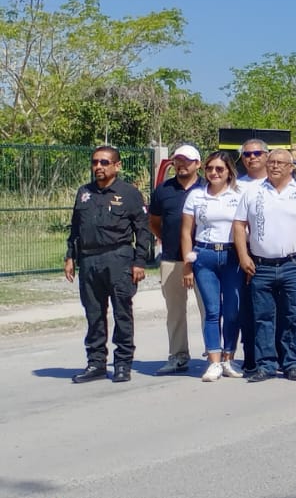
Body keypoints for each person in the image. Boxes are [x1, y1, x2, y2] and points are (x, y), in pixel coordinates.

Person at [65, 146, 155, 384]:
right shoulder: (84, 192)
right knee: (94, 313)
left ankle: (123, 363)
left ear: (117, 165)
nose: (99, 167)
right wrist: (70, 257)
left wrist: (139, 262)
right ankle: (96, 363)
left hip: (119, 258)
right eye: (95, 162)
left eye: (105, 162)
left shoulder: (129, 193)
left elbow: (143, 231)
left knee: (122, 312)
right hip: (89, 260)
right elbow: (75, 228)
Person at [233, 149, 296, 382]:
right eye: (271, 162)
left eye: (281, 163)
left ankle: (291, 363)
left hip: (293, 264)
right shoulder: (252, 193)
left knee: (292, 316)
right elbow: (239, 226)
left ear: (291, 167)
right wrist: (243, 256)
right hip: (260, 266)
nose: (275, 166)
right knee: (262, 317)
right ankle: (266, 365)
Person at [181, 151, 246, 382]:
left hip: (232, 256)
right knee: (212, 311)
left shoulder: (239, 195)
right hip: (205, 256)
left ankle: (229, 357)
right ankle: (214, 361)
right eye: (210, 169)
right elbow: (186, 232)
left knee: (232, 311)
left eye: (220, 169)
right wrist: (188, 265)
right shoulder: (196, 196)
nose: (214, 173)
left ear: (229, 171)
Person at [149, 144, 204, 375]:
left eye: (187, 161)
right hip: (172, 259)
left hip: (204, 258)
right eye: (177, 161)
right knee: (175, 311)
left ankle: (216, 355)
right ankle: (178, 356)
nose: (181, 165)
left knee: (210, 310)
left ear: (198, 164)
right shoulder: (163, 190)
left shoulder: (208, 187)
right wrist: (167, 240)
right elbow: (153, 222)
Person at [234, 139, 270, 374]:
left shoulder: (277, 183)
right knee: (246, 308)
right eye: (247, 154)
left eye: (257, 153)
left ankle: (274, 354)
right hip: (243, 253)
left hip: (270, 254)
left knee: (271, 309)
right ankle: (250, 356)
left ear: (266, 156)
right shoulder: (236, 186)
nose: (252, 157)